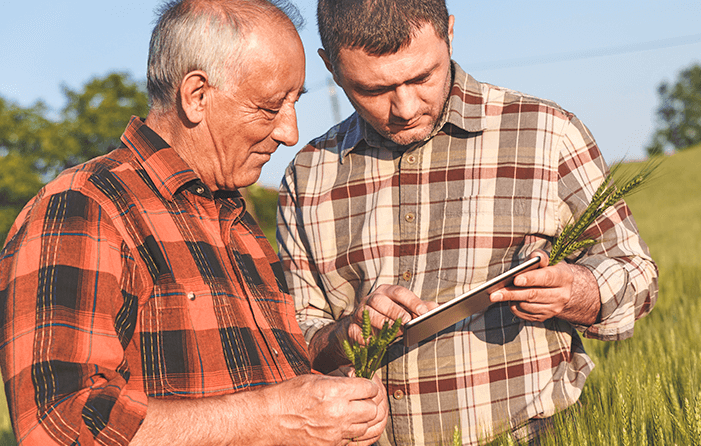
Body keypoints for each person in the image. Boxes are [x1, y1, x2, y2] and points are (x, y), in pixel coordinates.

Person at [0, 1, 388, 445]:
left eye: (296, 101)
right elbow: (59, 423)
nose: (290, 132)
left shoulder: (233, 217)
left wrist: (340, 346)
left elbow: (268, 382)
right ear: (196, 95)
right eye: (269, 106)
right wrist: (273, 419)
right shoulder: (82, 208)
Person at [276, 0, 659, 445]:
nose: (403, 107)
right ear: (331, 67)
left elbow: (638, 274)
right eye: (372, 89)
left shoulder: (546, 133)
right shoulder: (306, 176)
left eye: (422, 77)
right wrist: (349, 332)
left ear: (450, 34)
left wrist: (578, 290)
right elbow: (294, 342)